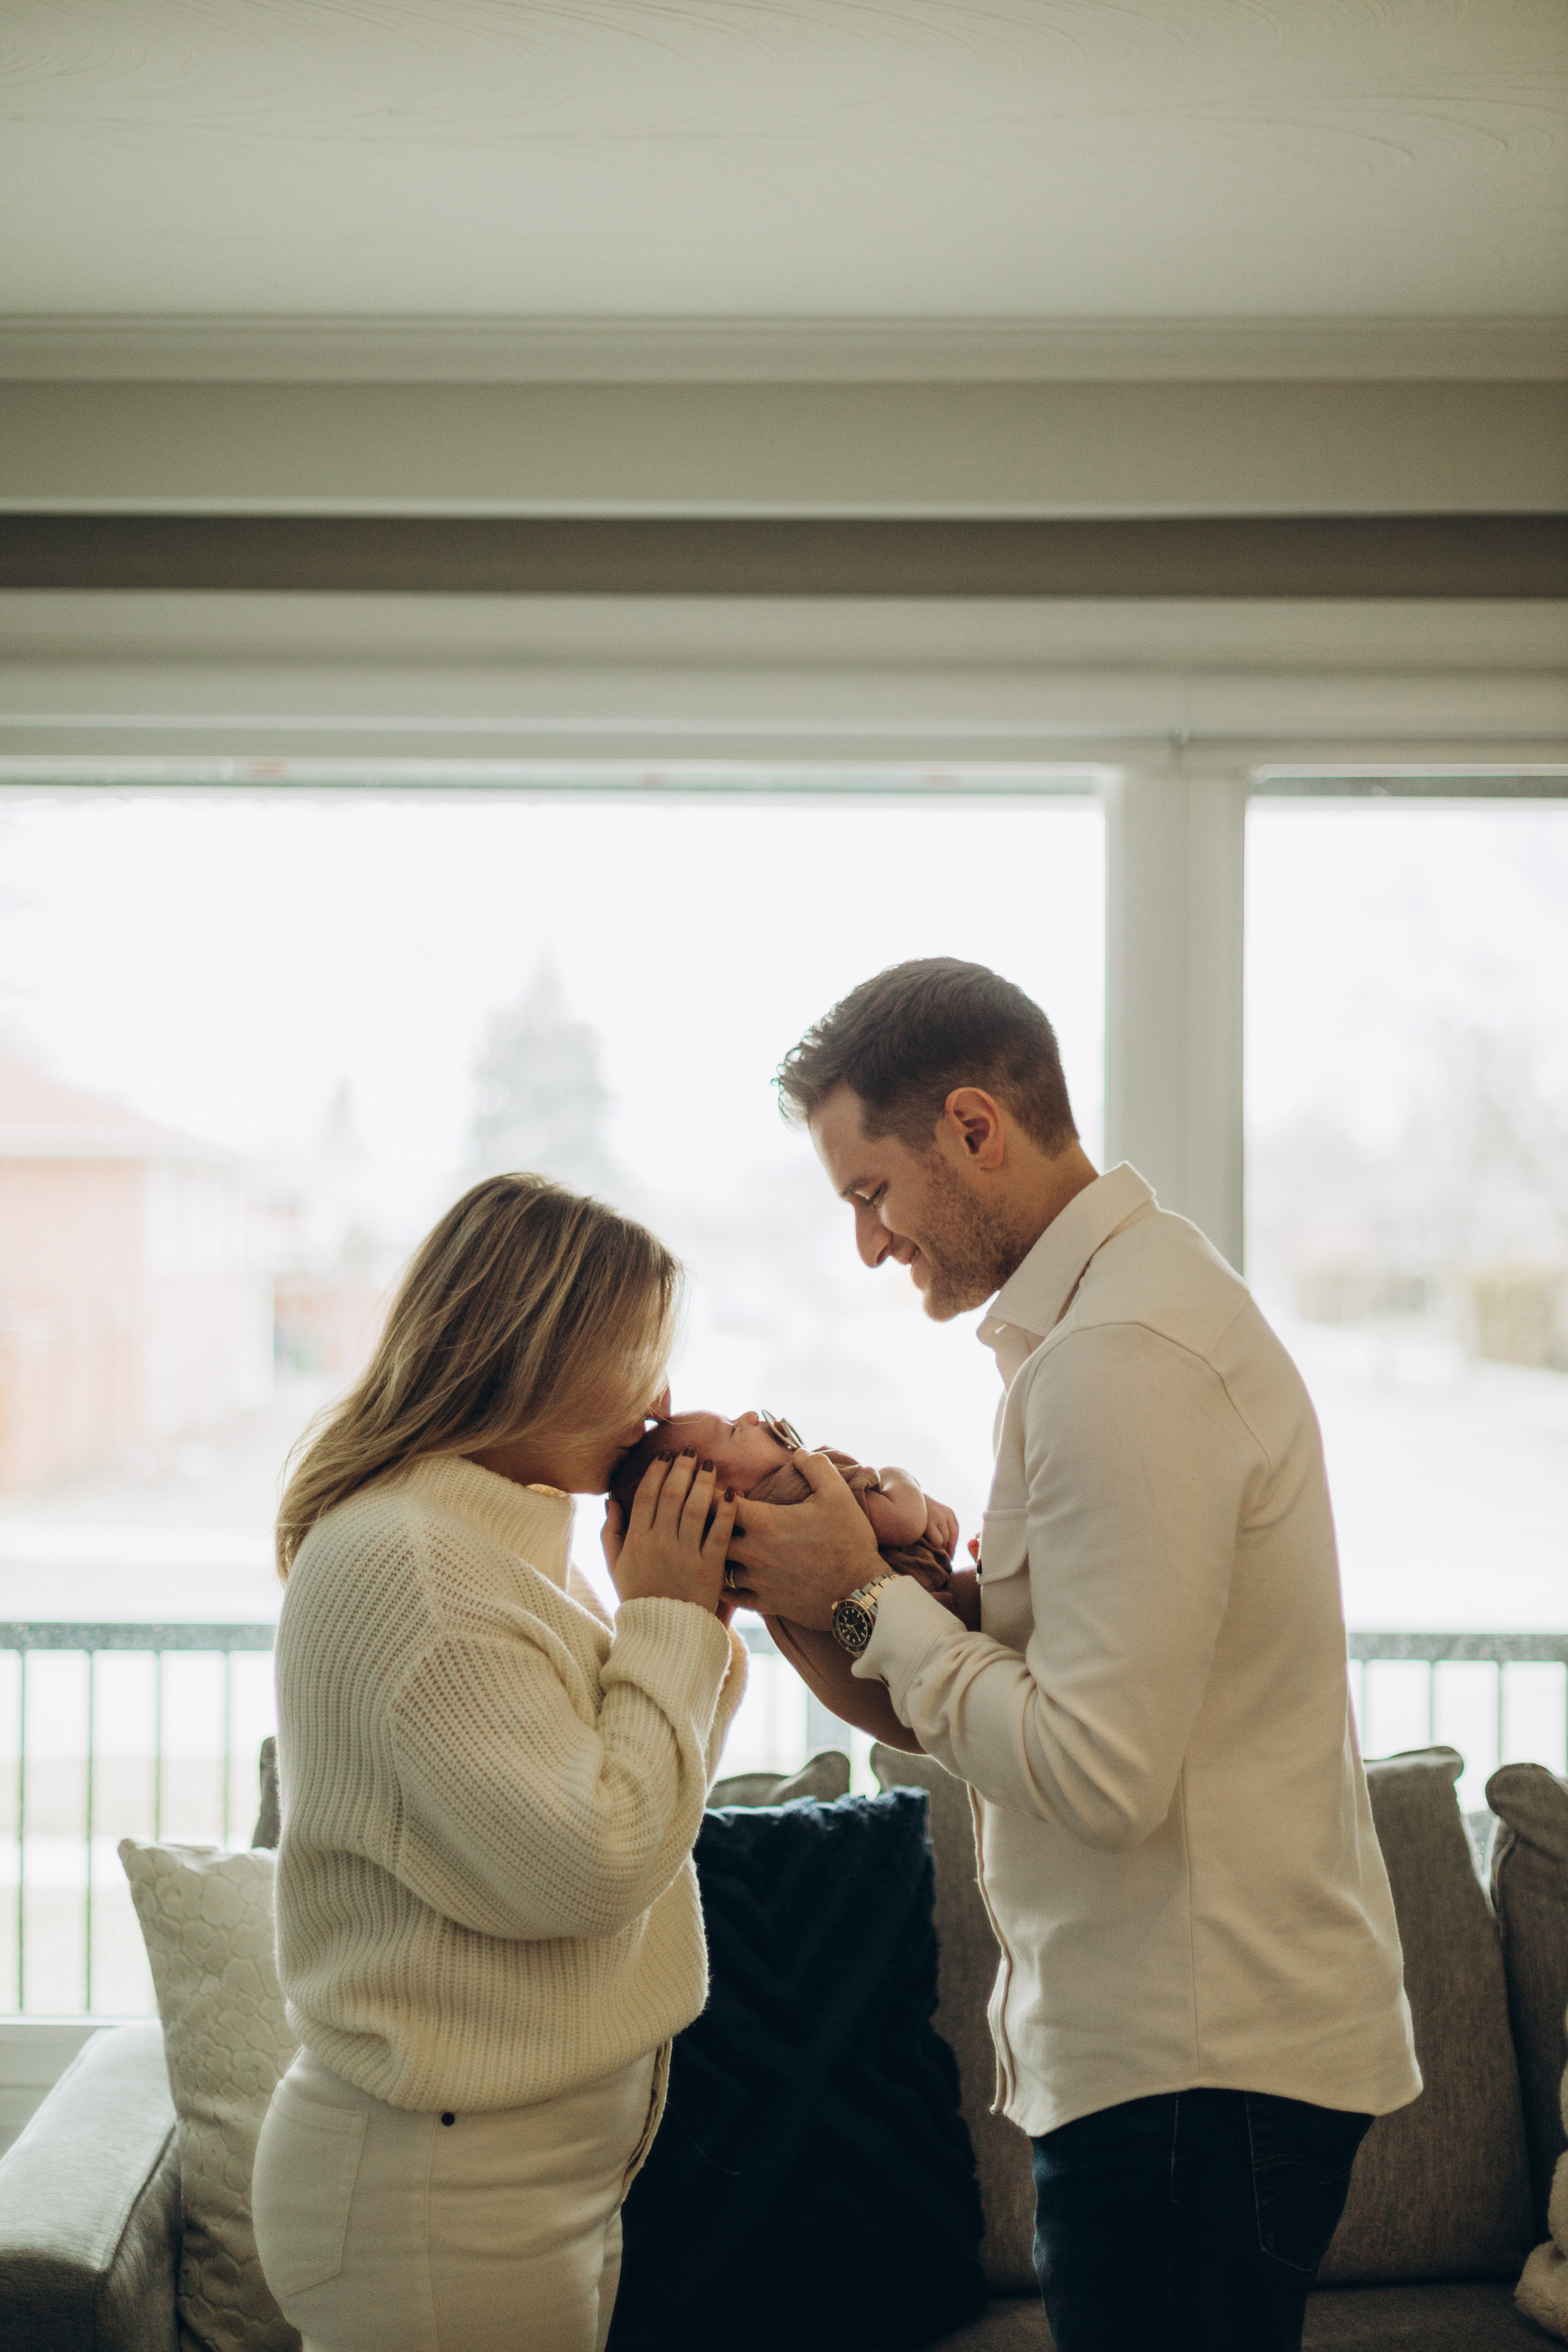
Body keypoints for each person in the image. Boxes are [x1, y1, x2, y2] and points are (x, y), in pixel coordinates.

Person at [725, 958, 1421, 2352]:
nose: (866, 1244)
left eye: (870, 1191)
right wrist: (916, 1555)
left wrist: (867, 1597)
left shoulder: (1121, 1357)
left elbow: (1097, 1773)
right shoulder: (1105, 1326)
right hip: (1187, 2062)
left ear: (973, 1127)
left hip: (1190, 2070)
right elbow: (1076, 1681)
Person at [251, 1174, 746, 2352]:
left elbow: (643, 1789)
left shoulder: (494, 1544)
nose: (664, 1400)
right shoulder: (412, 1568)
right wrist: (667, 1620)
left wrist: (680, 1619)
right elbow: (595, 1860)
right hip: (442, 2194)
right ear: (537, 1346)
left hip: (511, 2174)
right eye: (641, 1355)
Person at [608, 1406, 979, 1748]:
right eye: (734, 1431)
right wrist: (900, 1477)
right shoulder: (805, 1487)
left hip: (907, 1714)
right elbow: (904, 1520)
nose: (751, 1415)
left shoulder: (736, 1570)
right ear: (717, 1493)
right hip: (948, 1650)